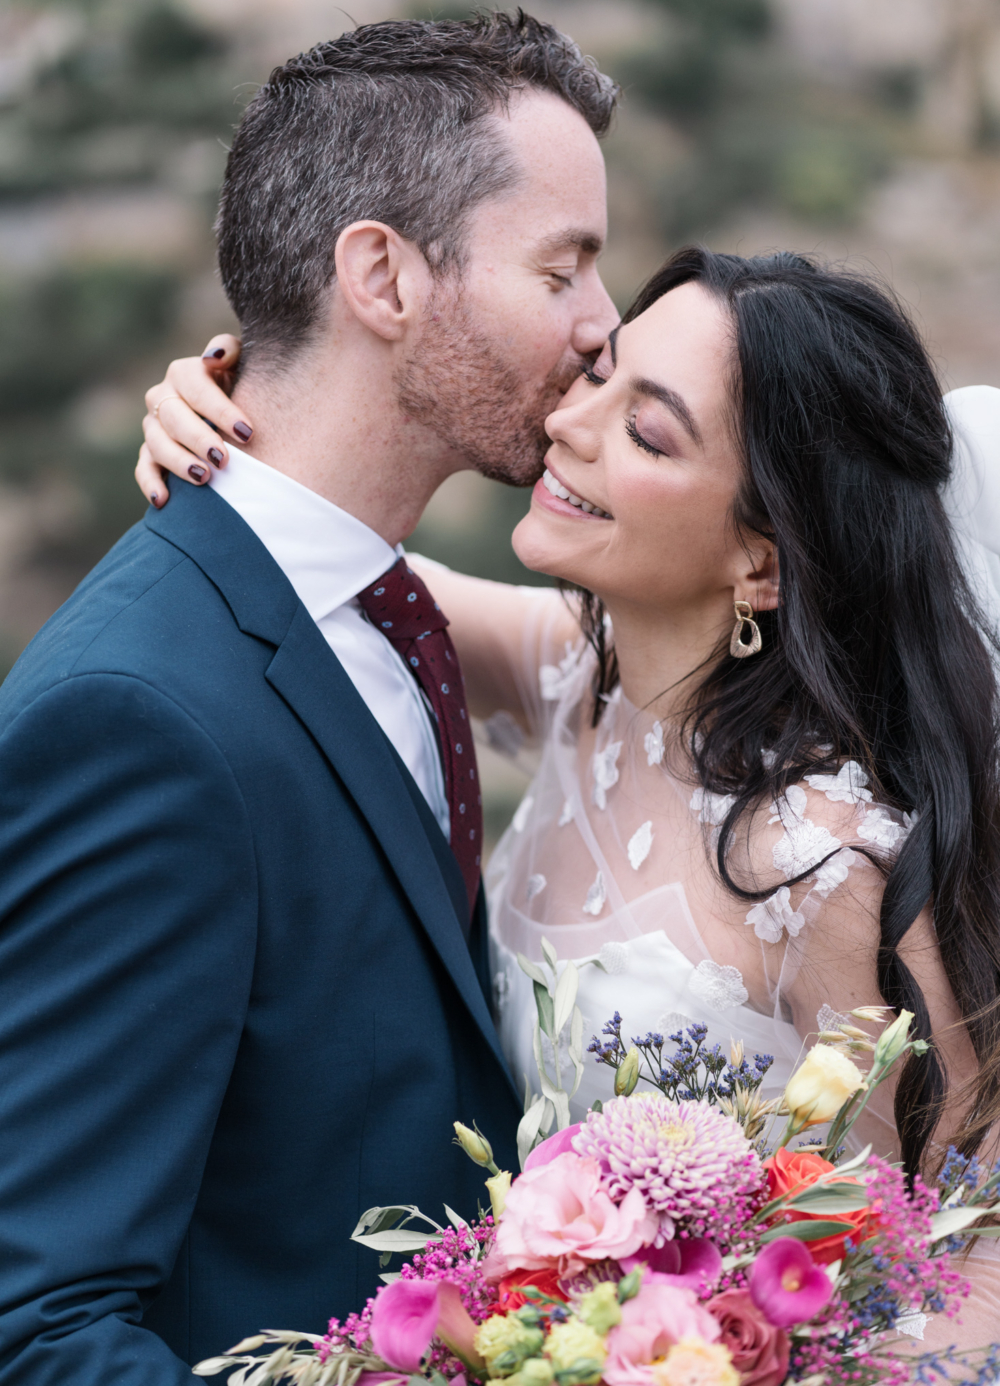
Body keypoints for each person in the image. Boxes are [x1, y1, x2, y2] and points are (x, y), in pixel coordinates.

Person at [140, 246, 1000, 1350]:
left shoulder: (829, 867)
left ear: (763, 564)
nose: (570, 426)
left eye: (648, 432)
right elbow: (314, 552)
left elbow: (965, 1265)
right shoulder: (576, 679)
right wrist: (219, 406)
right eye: (599, 376)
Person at [0, 13, 621, 1382]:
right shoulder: (139, 721)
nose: (601, 326)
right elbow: (40, 1333)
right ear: (383, 276)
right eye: (563, 267)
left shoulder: (396, 614)